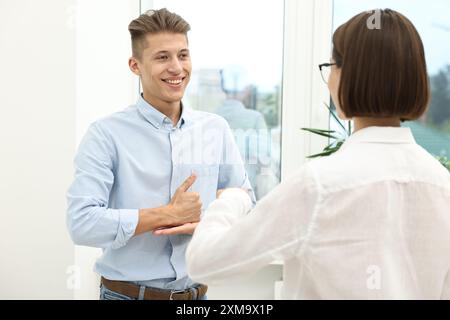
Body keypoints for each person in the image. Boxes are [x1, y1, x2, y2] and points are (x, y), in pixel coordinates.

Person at [186, 9, 450, 299]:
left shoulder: (319, 186)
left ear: (349, 76)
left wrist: (232, 200)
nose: (329, 79)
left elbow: (205, 263)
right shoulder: (442, 186)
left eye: (332, 66)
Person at [66, 8, 253, 300]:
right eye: (162, 57)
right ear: (135, 65)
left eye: (183, 55)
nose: (177, 68)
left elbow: (245, 202)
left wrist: (209, 223)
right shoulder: (106, 134)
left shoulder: (215, 129)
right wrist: (165, 215)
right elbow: (82, 224)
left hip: (197, 297)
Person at [215, 65, 271, 198]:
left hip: (216, 200)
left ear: (223, 88)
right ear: (245, 90)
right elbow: (266, 162)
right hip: (247, 198)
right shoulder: (255, 119)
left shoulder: (211, 118)